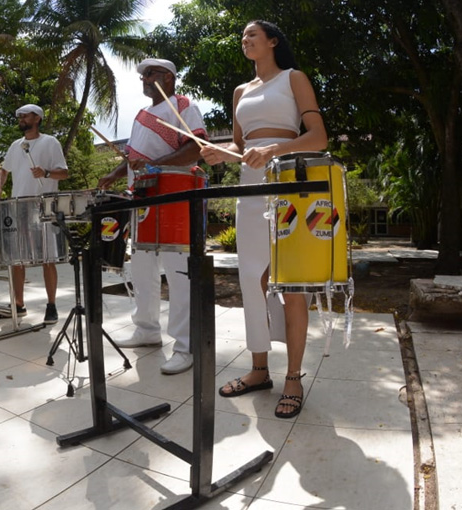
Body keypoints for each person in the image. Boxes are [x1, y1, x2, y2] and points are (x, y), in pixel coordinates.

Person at [200, 20, 327, 418]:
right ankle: (259, 370)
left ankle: (293, 377)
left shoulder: (294, 78)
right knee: (251, 278)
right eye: (242, 37)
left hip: (288, 179)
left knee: (290, 281)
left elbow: (319, 136)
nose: (246, 40)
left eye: (253, 34)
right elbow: (241, 145)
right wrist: (222, 151)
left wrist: (274, 148)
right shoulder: (240, 91)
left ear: (273, 41)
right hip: (249, 185)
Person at [97, 58, 207, 375]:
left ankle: (186, 346)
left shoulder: (183, 105)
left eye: (151, 74)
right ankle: (147, 330)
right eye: (143, 75)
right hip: (142, 198)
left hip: (174, 193)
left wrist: (155, 164)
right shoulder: (141, 115)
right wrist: (115, 173)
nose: (144, 79)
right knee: (142, 267)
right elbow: (134, 158)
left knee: (177, 271)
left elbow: (195, 148)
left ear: (169, 78)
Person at [0, 104, 68, 325]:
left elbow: (64, 173)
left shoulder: (50, 142)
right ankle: (19, 304)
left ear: (37, 118)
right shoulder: (16, 145)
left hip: (44, 206)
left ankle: (51, 305)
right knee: (17, 260)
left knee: (47, 259)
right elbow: (3, 170)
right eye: (19, 116)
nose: (21, 119)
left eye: (24, 116)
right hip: (19, 207)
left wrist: (45, 172)